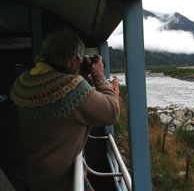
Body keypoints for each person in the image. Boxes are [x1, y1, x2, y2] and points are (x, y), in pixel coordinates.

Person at [10, 27, 120, 191]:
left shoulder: (21, 82)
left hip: (22, 178)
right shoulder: (71, 87)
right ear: (74, 61)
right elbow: (112, 112)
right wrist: (99, 76)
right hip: (58, 183)